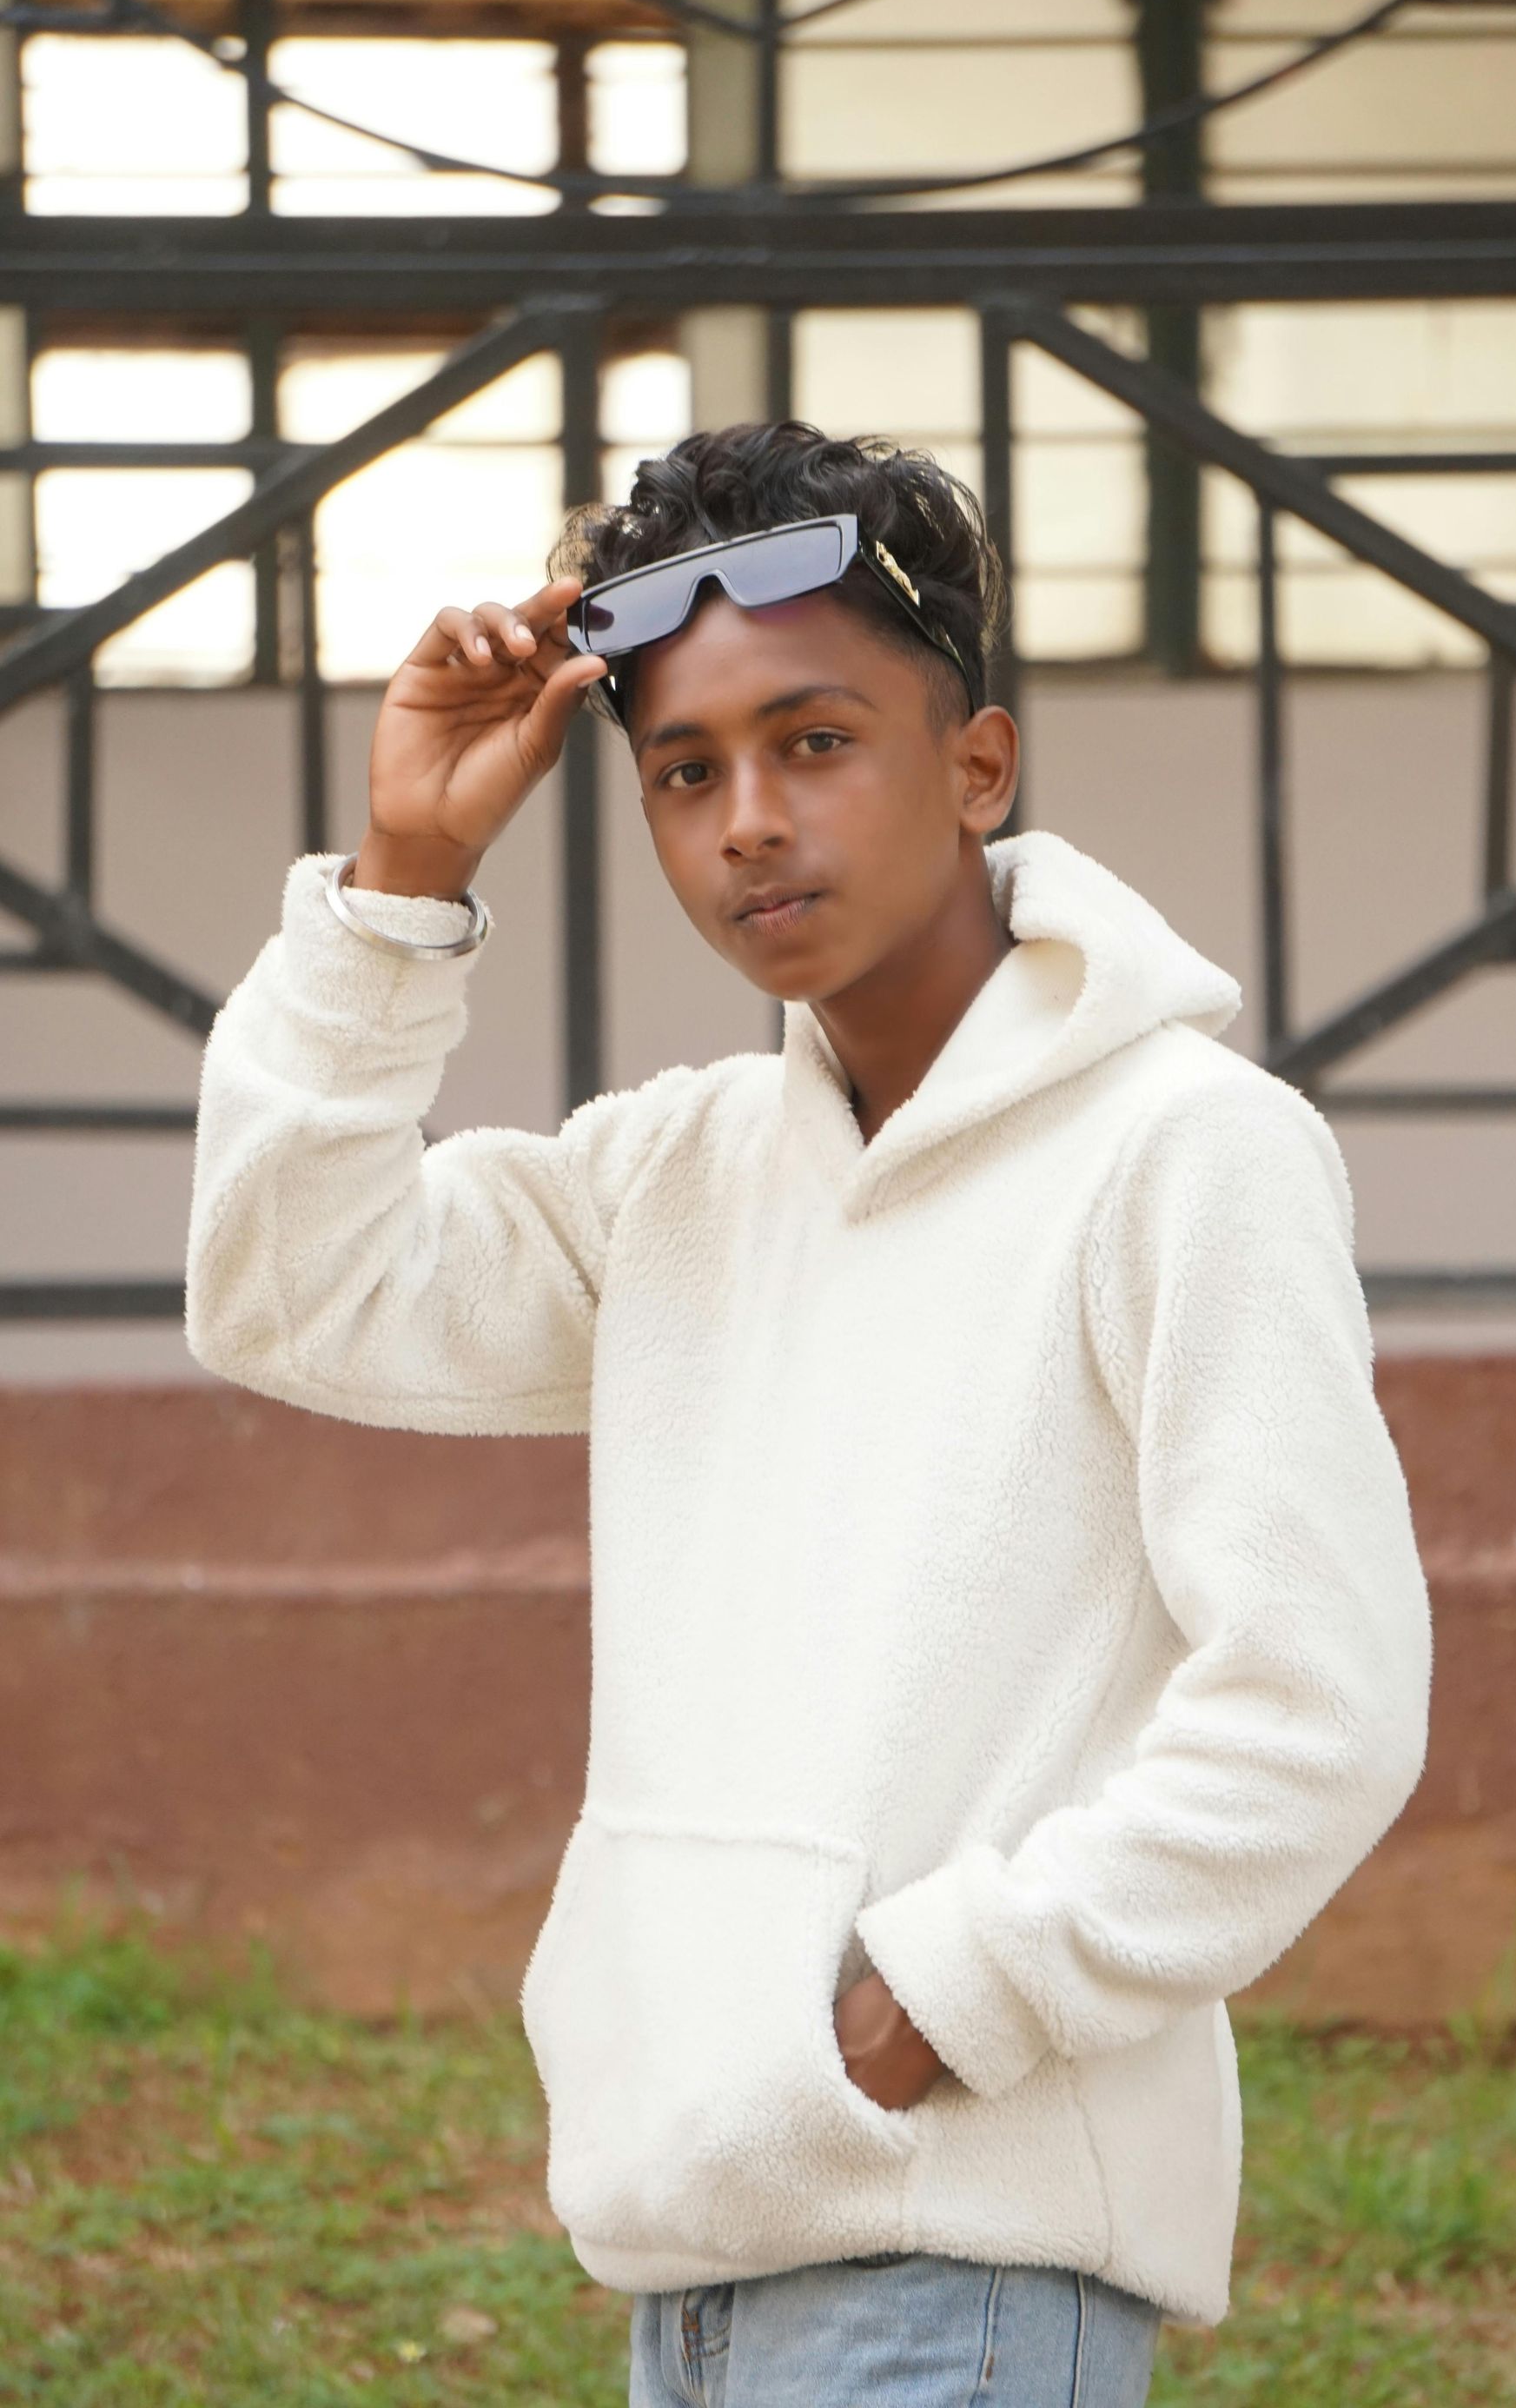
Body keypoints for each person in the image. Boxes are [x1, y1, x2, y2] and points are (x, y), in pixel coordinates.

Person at [184, 420, 1433, 2407]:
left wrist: (935, 2005)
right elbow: (291, 1290)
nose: (749, 819)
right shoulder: (672, 1177)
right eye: (688, 773)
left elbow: (1321, 1696)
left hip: (956, 2251)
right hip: (697, 2246)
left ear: (978, 765)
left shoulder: (1188, 1154)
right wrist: (405, 872)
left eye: (817, 741)